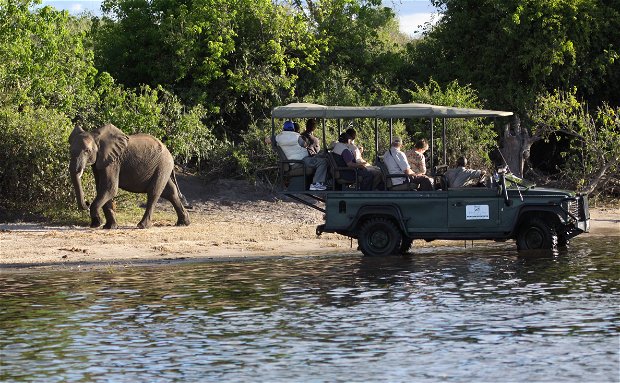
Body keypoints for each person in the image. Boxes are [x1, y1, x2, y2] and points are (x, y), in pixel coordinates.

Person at [275, 120, 328, 191]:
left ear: (283, 129)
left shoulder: (278, 137)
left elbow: (267, 140)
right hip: (301, 161)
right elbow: (305, 145)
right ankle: (316, 183)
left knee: (321, 157)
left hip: (293, 162)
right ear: (293, 129)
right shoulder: (297, 137)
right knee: (323, 161)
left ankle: (320, 182)